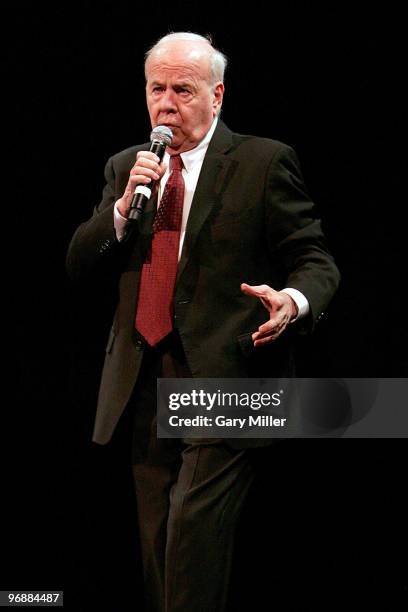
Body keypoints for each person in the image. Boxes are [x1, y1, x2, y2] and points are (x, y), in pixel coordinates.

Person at [66, 32, 340, 612]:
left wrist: (293, 300)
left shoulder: (263, 162)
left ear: (216, 96)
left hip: (225, 375)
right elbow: (77, 262)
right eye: (156, 88)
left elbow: (314, 258)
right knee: (157, 548)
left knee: (191, 535)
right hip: (142, 379)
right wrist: (120, 210)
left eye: (182, 90)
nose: (166, 103)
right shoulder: (126, 169)